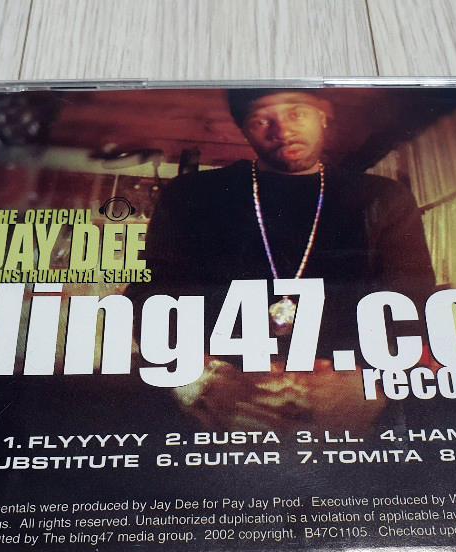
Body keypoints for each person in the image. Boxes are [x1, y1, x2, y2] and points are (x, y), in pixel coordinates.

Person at [128, 88, 436, 432]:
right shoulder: (192, 194)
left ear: (323, 115)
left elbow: (412, 301)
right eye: (261, 120)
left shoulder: (382, 197)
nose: (283, 131)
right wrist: (197, 384)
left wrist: (373, 387)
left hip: (348, 399)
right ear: (244, 129)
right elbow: (152, 294)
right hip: (225, 400)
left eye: (296, 113)